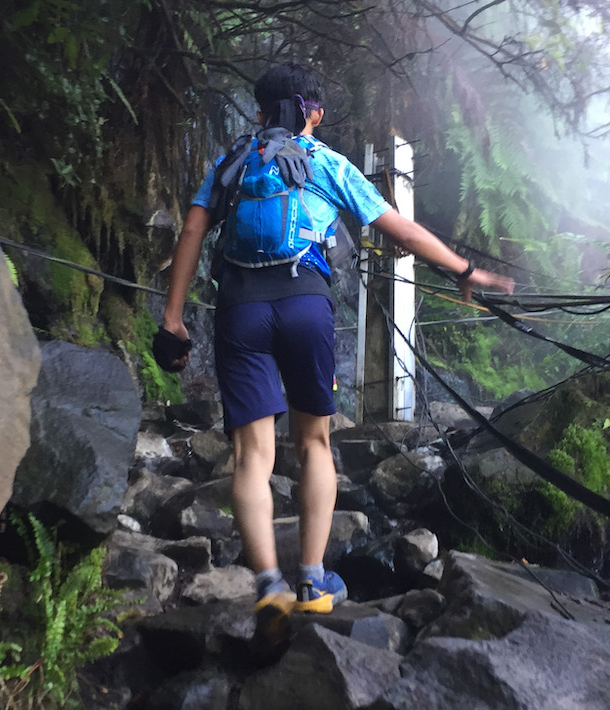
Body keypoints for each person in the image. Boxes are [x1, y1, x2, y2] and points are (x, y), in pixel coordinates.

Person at [159, 63, 514, 653]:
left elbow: (194, 230)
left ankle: (268, 585)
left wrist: (173, 318)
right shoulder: (327, 163)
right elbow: (400, 230)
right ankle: (312, 581)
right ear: (315, 113)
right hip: (305, 304)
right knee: (315, 444)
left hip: (241, 308)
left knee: (251, 455)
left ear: (259, 112)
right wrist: (465, 270)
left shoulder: (232, 161)